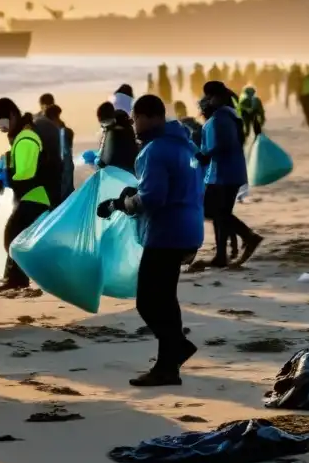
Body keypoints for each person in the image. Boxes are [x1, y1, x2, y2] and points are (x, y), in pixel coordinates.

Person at [97, 95, 203, 386]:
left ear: (150, 117)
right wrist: (135, 190)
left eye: (135, 118)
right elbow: (180, 184)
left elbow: (153, 199)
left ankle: (175, 351)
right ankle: (168, 366)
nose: (132, 124)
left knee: (148, 301)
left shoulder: (153, 151)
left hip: (166, 233)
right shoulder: (185, 144)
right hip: (188, 228)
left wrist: (123, 204)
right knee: (166, 298)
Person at [196, 82, 262, 268]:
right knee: (220, 214)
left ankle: (249, 237)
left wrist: (203, 155)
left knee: (215, 211)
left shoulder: (221, 118)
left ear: (216, 97)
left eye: (208, 96)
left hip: (224, 173)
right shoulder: (227, 115)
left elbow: (223, 145)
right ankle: (220, 256)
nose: (205, 100)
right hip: (226, 172)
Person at [0, 98, 50, 292]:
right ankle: (16, 278)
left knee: (12, 236)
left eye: (0, 118)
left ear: (13, 115)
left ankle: (17, 279)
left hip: (35, 195)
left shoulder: (25, 138)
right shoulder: (21, 136)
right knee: (16, 235)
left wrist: (5, 176)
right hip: (31, 195)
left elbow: (25, 173)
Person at [97, 101, 139, 174]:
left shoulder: (112, 133)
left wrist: (99, 164)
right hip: (132, 173)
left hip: (115, 175)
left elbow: (105, 159)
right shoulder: (129, 131)